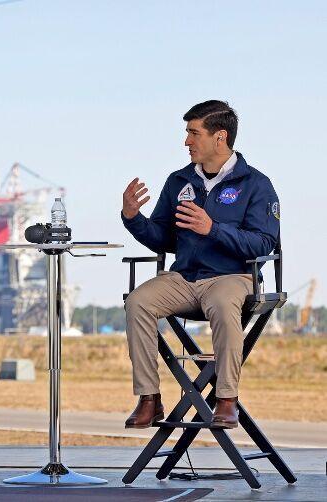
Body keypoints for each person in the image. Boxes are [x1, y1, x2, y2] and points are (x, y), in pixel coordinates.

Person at [121, 100, 280, 429]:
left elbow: (265, 244)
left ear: (219, 137)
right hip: (185, 278)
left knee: (223, 304)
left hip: (233, 277)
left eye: (194, 133)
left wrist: (213, 229)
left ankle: (226, 399)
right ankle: (149, 399)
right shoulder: (179, 181)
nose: (187, 141)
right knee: (138, 301)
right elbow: (163, 238)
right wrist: (133, 218)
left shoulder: (255, 184)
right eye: (187, 133)